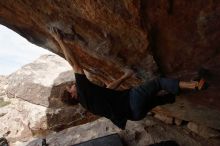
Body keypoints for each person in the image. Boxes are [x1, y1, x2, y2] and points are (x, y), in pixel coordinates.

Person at [49, 27, 206, 129]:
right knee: (158, 83)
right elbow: (74, 63)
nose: (72, 86)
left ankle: (183, 92)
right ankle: (195, 85)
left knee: (163, 98)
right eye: (70, 88)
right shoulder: (82, 89)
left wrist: (125, 76)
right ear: (73, 95)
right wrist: (60, 40)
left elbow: (109, 89)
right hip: (132, 100)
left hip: (135, 115)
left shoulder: (88, 104)